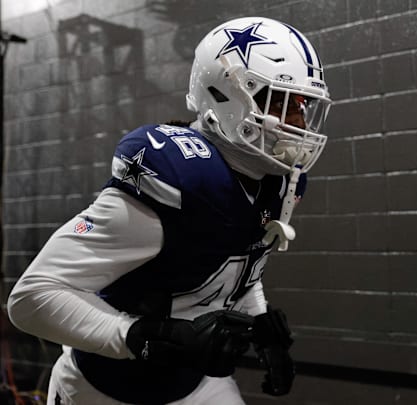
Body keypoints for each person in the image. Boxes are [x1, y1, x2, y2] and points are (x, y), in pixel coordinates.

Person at [7, 16, 331, 405]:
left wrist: (260, 321)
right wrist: (144, 336)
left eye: (302, 105)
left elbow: (234, 265)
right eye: (280, 103)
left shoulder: (274, 183)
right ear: (225, 94)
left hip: (194, 385)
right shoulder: (181, 178)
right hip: (103, 389)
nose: (298, 123)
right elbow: (32, 296)